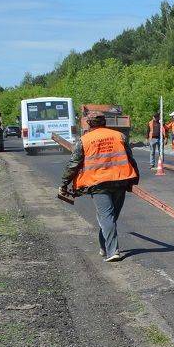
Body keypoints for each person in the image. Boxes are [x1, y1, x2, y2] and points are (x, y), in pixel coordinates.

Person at [60, 112, 139, 263]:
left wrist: (64, 183)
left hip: (98, 184)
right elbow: (130, 158)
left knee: (107, 217)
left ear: (89, 124)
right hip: (120, 181)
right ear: (104, 122)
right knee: (110, 217)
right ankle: (105, 247)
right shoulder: (119, 136)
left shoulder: (84, 140)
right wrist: (134, 179)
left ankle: (112, 251)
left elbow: (73, 165)